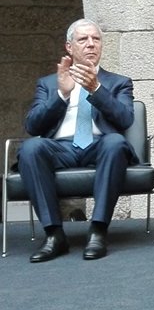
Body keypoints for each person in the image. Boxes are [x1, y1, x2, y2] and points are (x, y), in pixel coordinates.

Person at [17, 18, 137, 262]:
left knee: (115, 142)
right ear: (69, 47)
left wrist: (96, 89)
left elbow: (125, 120)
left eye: (96, 39)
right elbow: (32, 126)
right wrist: (61, 94)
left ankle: (98, 231)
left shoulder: (119, 82)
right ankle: (54, 234)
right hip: (60, 148)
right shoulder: (48, 84)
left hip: (100, 146)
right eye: (83, 39)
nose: (91, 44)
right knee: (31, 148)